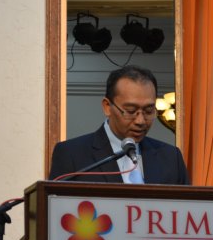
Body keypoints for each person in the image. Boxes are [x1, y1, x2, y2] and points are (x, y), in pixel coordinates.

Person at [48, 65, 190, 184]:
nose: (140, 121)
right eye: (130, 111)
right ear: (107, 107)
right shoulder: (72, 155)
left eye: (148, 111)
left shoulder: (171, 158)